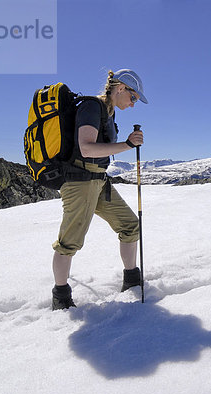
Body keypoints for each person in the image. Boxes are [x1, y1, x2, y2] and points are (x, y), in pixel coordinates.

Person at [51, 68, 148, 310]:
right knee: (69, 242)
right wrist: (126, 144)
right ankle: (60, 296)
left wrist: (124, 143)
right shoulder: (92, 107)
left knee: (130, 225)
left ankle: (132, 279)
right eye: (133, 97)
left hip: (99, 180)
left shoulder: (108, 113)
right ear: (120, 88)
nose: (134, 104)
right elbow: (86, 148)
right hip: (80, 182)